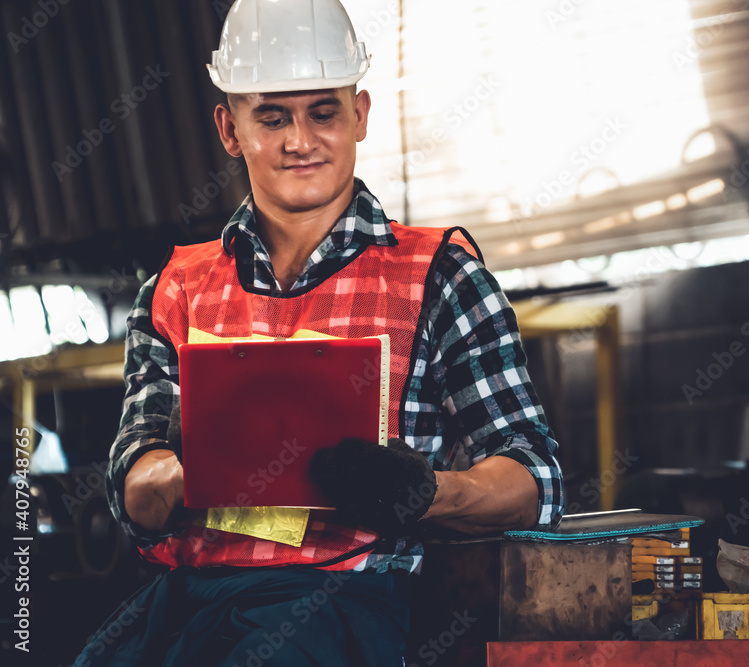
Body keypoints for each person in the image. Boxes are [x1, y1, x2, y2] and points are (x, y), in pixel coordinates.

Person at [77, 1, 563, 664]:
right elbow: (131, 484)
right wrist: (177, 470)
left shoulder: (442, 278)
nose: (300, 140)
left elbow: (537, 478)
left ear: (360, 113)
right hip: (190, 599)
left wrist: (426, 493)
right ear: (229, 127)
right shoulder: (178, 286)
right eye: (272, 116)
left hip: (346, 606)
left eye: (323, 112)